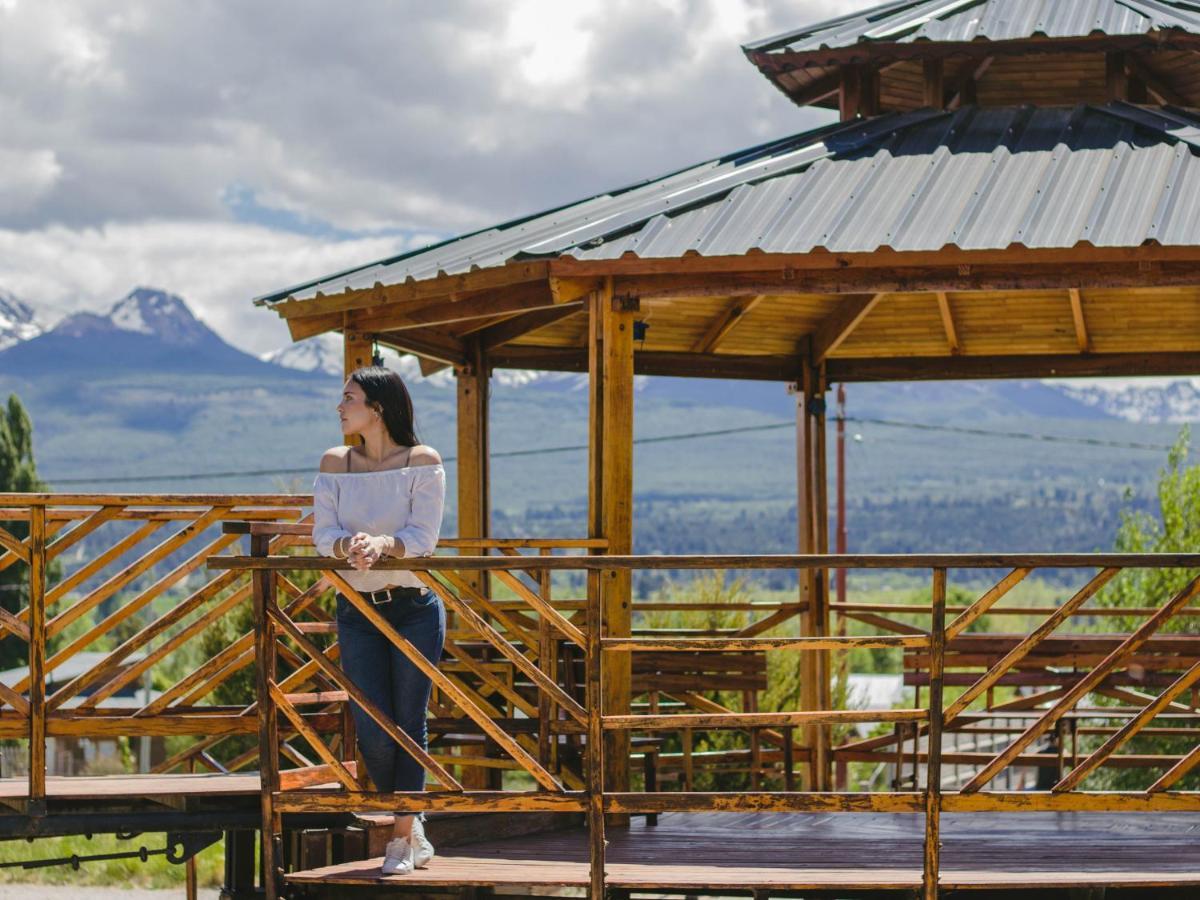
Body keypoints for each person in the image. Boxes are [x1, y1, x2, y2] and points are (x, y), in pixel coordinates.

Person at [312, 365, 446, 876]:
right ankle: (412, 820)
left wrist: (385, 545)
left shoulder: (421, 461)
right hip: (357, 611)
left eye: (348, 398)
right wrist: (348, 545)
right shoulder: (334, 462)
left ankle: (399, 839)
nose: (339, 407)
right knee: (372, 726)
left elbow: (423, 537)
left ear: (378, 408)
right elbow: (323, 534)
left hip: (413, 607)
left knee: (409, 722)